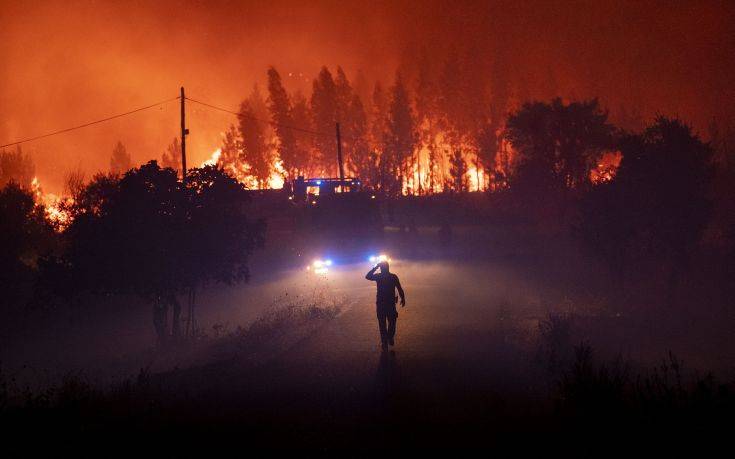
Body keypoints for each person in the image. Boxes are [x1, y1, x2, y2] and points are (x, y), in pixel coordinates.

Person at [365, 261, 406, 349]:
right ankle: (389, 337)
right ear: (388, 267)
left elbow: (367, 276)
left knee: (382, 323)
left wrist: (375, 267)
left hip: (381, 303)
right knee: (392, 322)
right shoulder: (393, 277)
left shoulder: (379, 276)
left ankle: (384, 341)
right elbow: (399, 288)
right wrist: (403, 298)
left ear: (381, 268)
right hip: (390, 303)